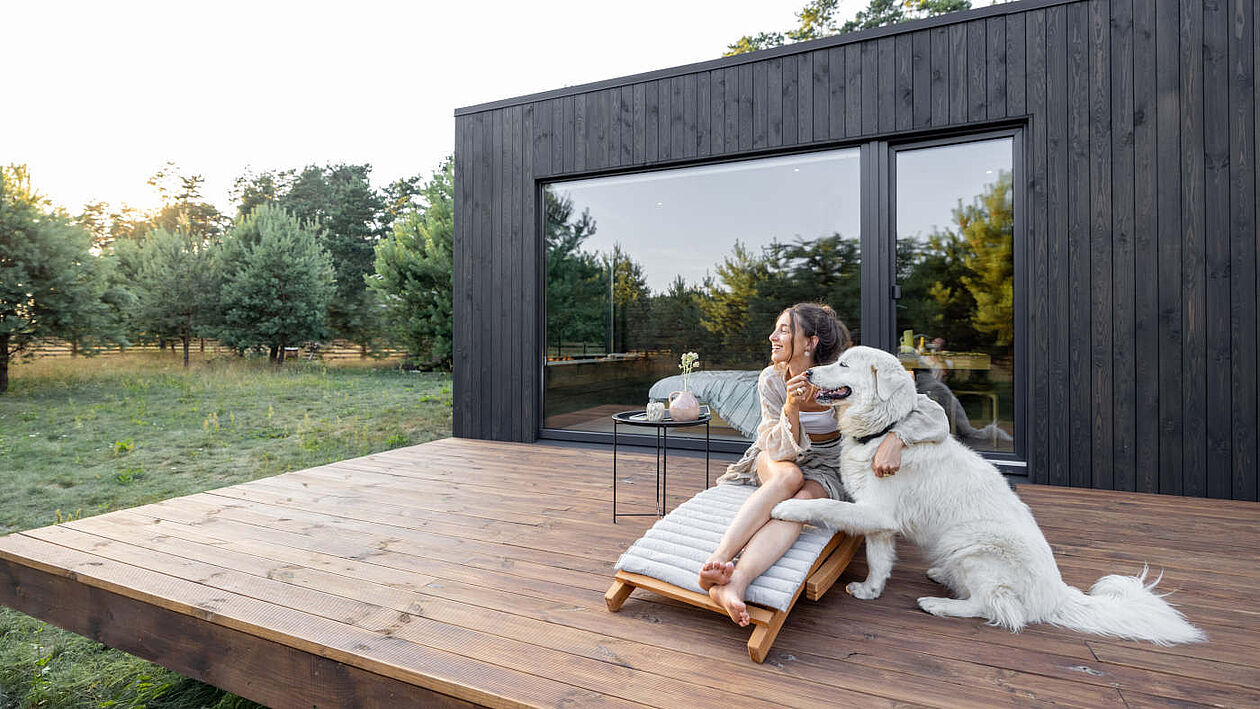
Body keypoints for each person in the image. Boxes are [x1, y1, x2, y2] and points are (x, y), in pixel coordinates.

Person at [700, 302, 949, 626]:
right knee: (788, 480)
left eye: (784, 330)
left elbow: (932, 413)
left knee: (803, 503)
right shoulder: (772, 380)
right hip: (781, 459)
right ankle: (718, 560)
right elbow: (773, 446)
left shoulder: (843, 375)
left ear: (810, 342)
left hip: (830, 466)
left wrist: (894, 440)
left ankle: (736, 582)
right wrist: (791, 408)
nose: (773, 337)